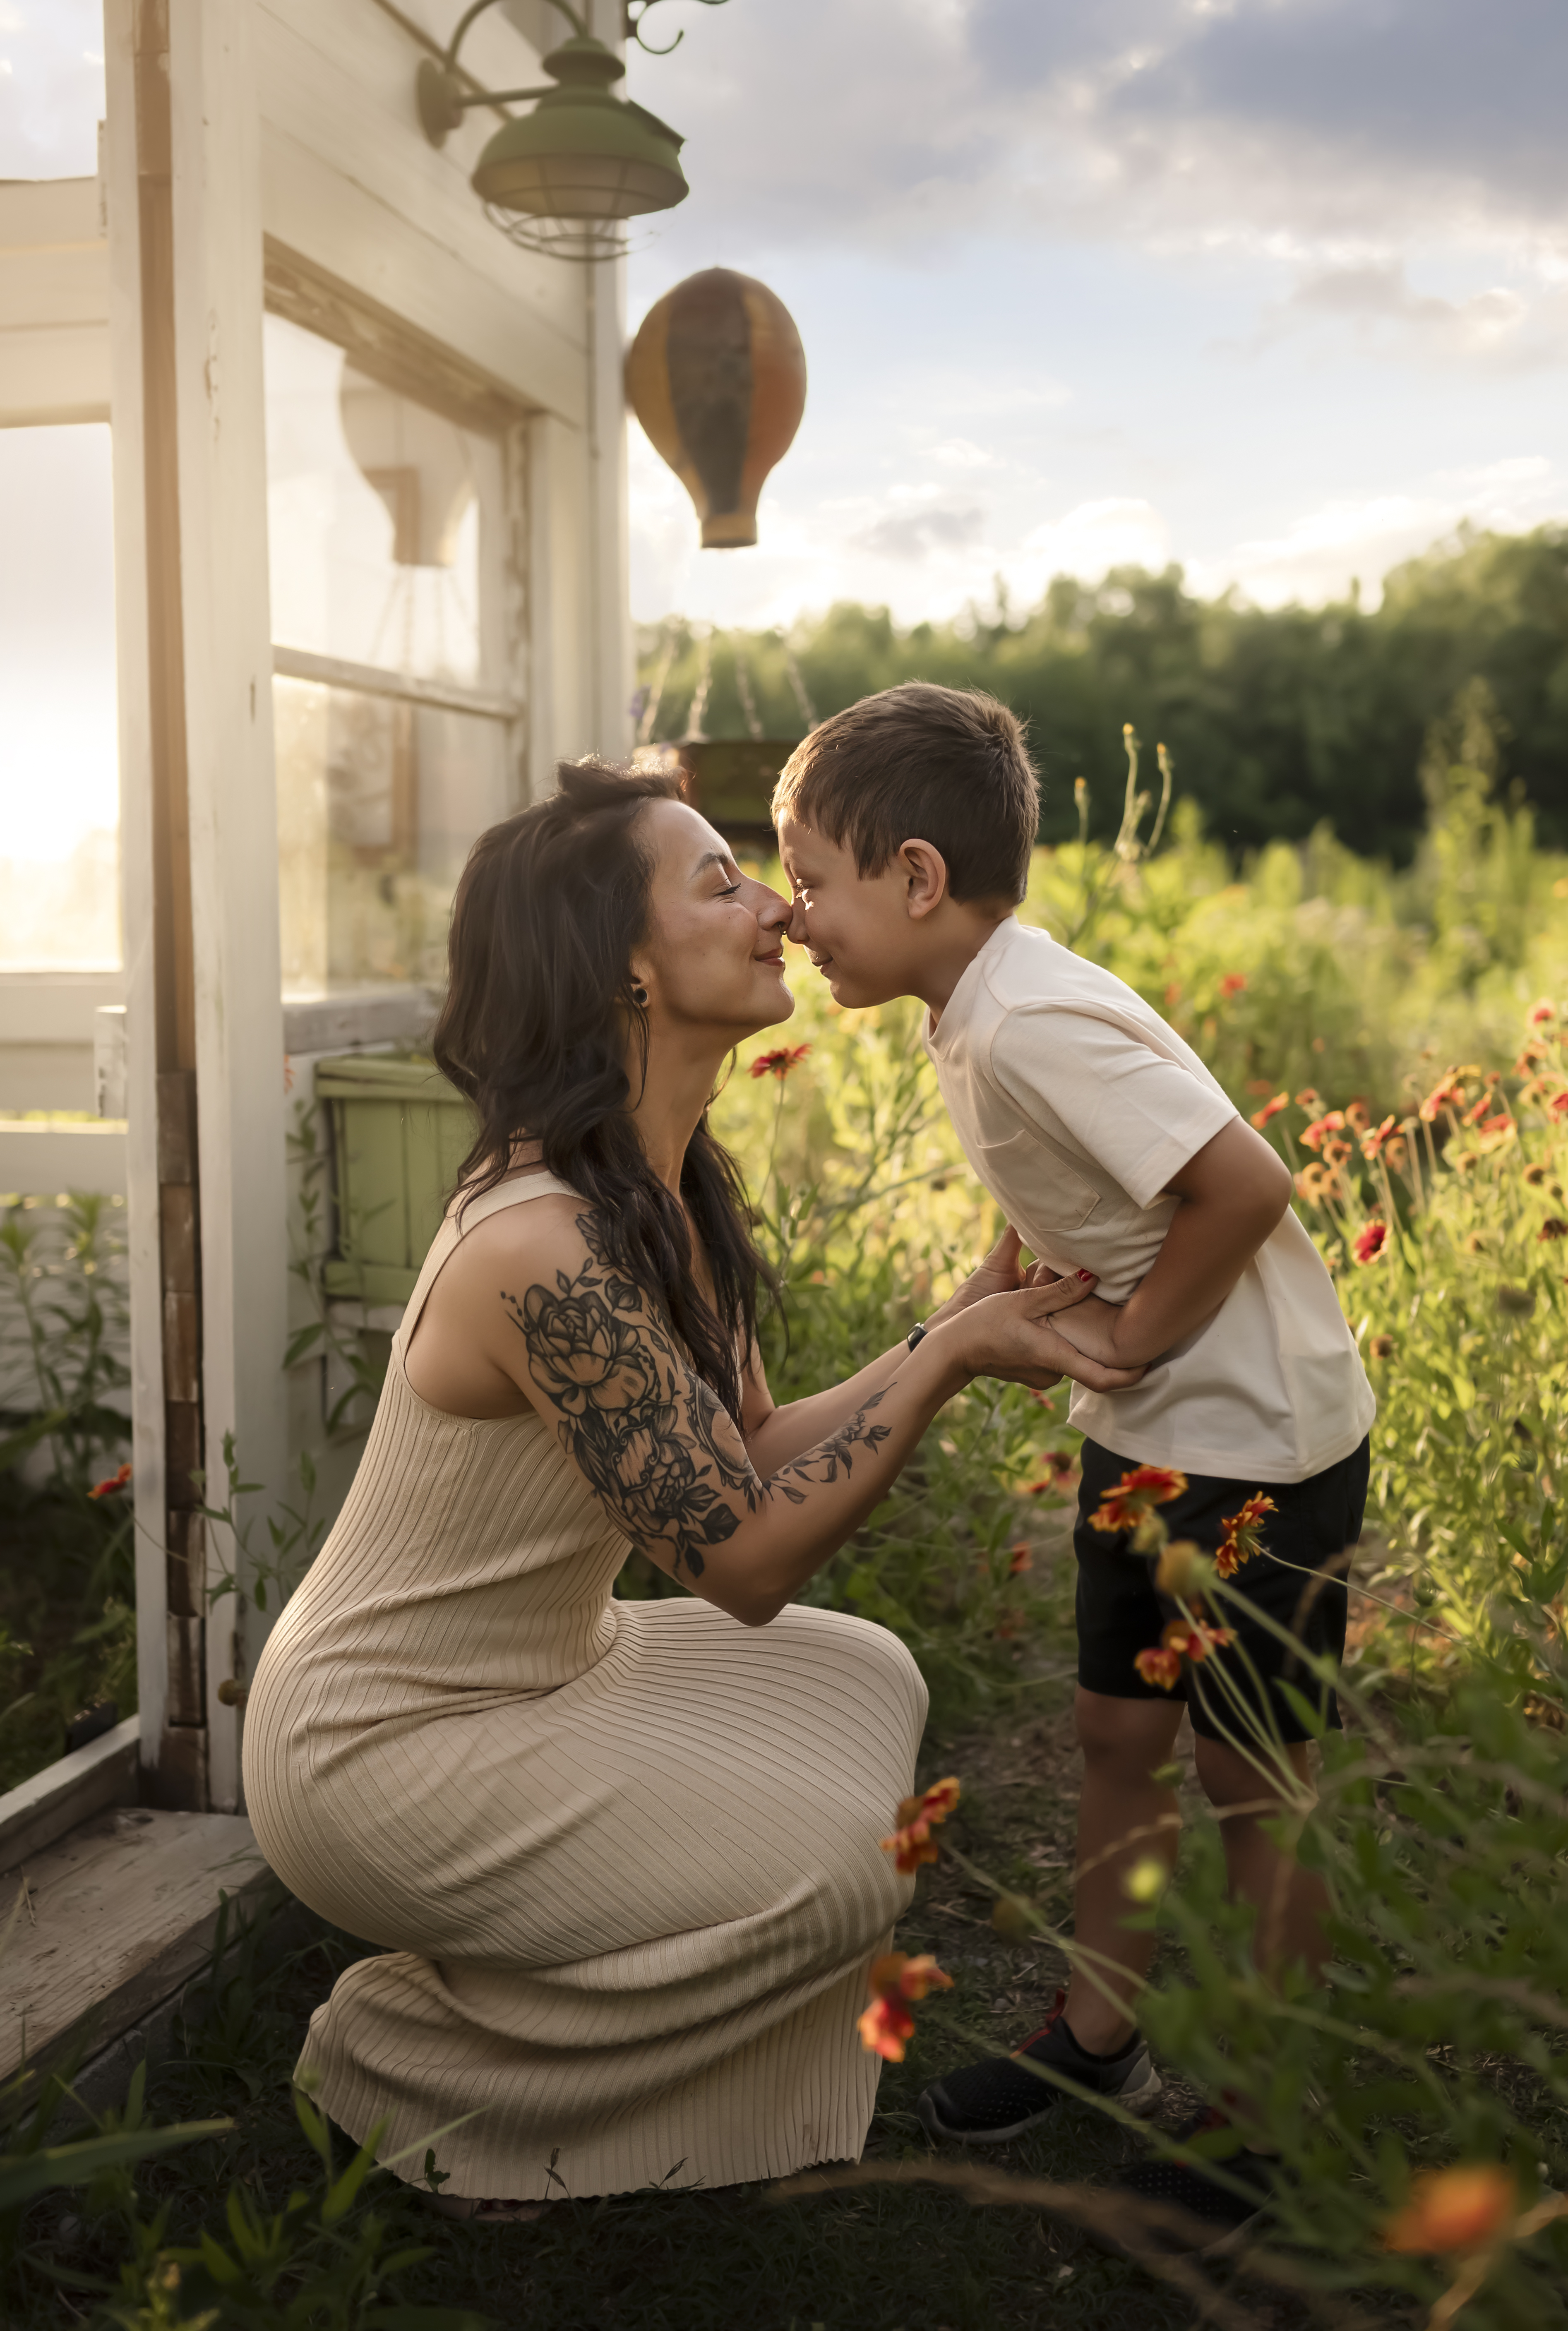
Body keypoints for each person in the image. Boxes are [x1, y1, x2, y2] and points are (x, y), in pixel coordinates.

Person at [244, 759, 1141, 2217]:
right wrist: (953, 1356)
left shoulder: (659, 1186)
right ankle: (409, 2058)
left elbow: (745, 1455)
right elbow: (740, 1562)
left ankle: (551, 1987)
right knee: (849, 1874)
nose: (781, 906)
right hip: (381, 1743)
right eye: (720, 882)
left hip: (543, 1673)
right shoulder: (543, 1244)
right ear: (624, 970)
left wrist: (950, 1332)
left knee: (866, 1679)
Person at [773, 684, 1375, 2247]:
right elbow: (1074, 1174)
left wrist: (1124, 1341)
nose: (791, 911)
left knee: (1253, 1780)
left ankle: (1274, 2100)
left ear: (914, 879)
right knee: (1118, 1731)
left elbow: (1243, 1183)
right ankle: (1102, 2026)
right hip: (1160, 1435)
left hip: (1259, 1442)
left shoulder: (1031, 1014)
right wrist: (998, 1285)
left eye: (808, 874)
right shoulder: (975, 1011)